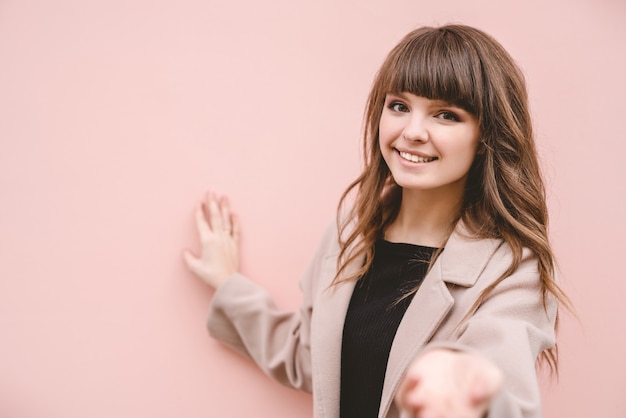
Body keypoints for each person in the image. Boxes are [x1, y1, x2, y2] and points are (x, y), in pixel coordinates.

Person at [183, 24, 569, 418]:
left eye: (446, 115)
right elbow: (316, 363)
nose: (412, 132)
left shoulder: (511, 267)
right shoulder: (349, 231)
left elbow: (503, 387)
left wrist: (468, 392)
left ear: (487, 134)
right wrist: (227, 284)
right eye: (399, 106)